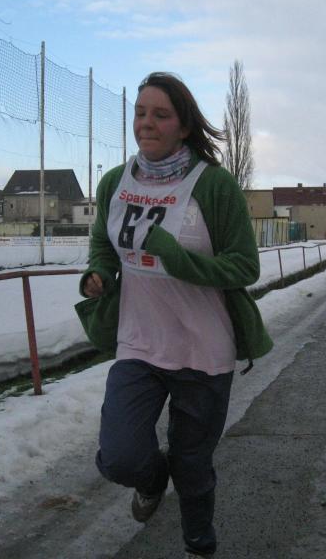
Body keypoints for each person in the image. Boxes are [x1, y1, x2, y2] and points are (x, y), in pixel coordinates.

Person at [75, 72, 273, 559]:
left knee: (192, 464)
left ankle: (199, 544)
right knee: (119, 456)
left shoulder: (214, 185)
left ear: (183, 126)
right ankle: (150, 480)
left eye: (160, 115)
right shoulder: (114, 182)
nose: (146, 123)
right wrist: (98, 272)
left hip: (203, 350)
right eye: (140, 113)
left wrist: (177, 259)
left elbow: (244, 266)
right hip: (138, 343)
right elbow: (103, 243)